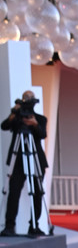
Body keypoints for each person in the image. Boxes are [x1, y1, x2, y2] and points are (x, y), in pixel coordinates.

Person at [1, 90, 48, 237]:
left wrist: (34, 125)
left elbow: (42, 135)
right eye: (25, 99)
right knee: (13, 192)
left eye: (29, 99)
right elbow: (4, 126)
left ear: (34, 102)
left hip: (36, 159)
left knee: (37, 192)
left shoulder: (40, 119)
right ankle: (9, 226)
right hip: (18, 160)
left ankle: (34, 225)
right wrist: (14, 113)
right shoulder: (17, 119)